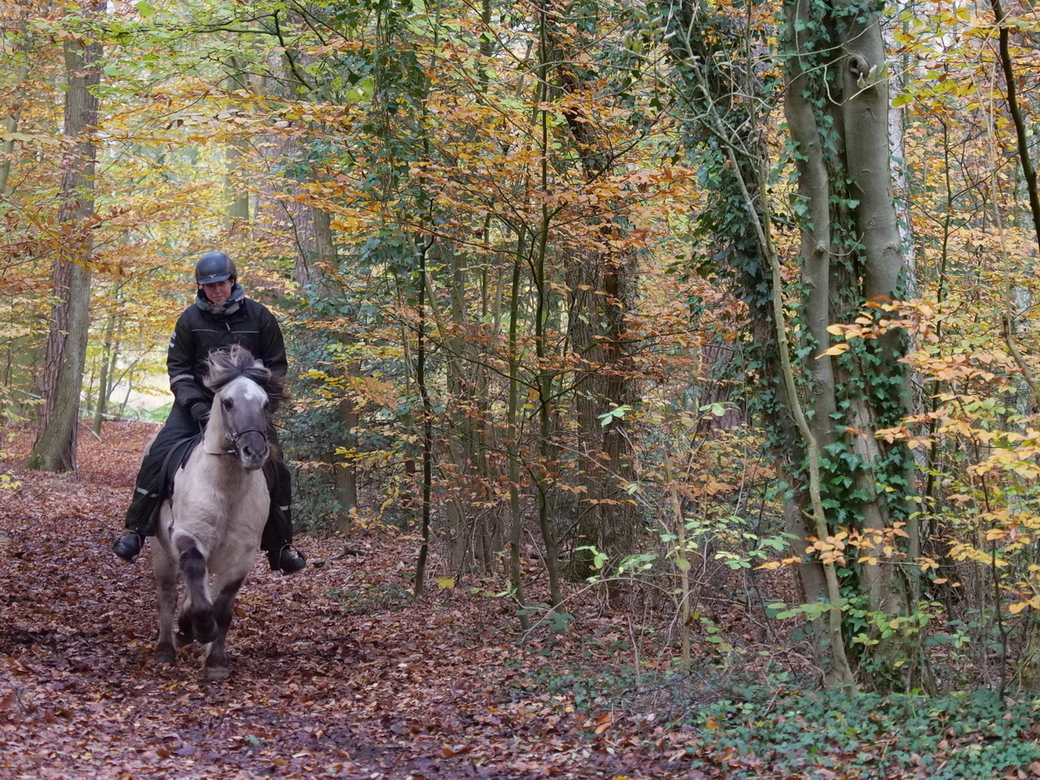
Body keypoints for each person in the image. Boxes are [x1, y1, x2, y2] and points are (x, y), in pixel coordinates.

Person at [112, 251, 306, 574]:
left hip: (246, 409)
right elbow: (177, 368)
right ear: (201, 288)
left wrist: (258, 403)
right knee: (159, 453)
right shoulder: (190, 320)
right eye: (209, 286)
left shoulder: (261, 318)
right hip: (195, 407)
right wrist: (196, 405)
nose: (216, 290)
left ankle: (281, 545)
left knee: (277, 466)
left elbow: (277, 367)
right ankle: (136, 529)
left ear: (233, 281)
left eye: (222, 283)